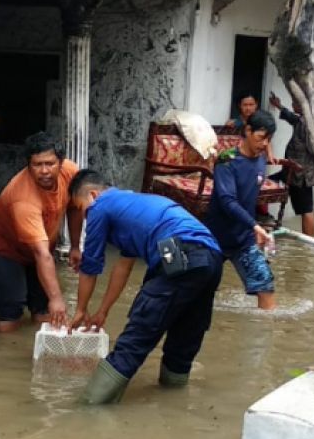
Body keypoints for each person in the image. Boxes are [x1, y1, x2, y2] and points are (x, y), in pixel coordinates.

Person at [68, 170, 223, 404]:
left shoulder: (100, 206)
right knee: (186, 335)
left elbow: (90, 266)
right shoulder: (132, 204)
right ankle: (175, 401)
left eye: (82, 209)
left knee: (137, 335)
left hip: (178, 252)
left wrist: (80, 309)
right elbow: (123, 268)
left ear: (92, 194)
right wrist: (102, 311)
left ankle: (88, 407)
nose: (86, 216)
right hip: (211, 258)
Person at [0, 131, 81, 332]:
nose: (44, 171)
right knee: (11, 310)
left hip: (42, 245)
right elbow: (42, 254)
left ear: (61, 162)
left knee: (44, 310)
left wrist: (75, 246)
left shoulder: (71, 173)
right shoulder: (23, 199)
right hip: (8, 246)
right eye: (37, 165)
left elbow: (74, 207)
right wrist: (57, 298)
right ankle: (4, 354)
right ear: (29, 165)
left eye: (50, 164)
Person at [205, 109, 280, 310]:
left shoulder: (261, 160)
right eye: (261, 137)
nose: (264, 144)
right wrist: (255, 225)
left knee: (265, 286)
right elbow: (228, 201)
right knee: (197, 289)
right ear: (248, 130)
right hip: (214, 238)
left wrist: (256, 229)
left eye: (269, 139)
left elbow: (250, 198)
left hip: (243, 239)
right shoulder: (227, 160)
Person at [269, 93, 314, 237]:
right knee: (266, 182)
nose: (292, 106)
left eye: (294, 103)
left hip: (301, 174)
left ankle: (310, 242)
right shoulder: (301, 120)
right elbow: (292, 118)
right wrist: (279, 105)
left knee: (306, 209)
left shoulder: (308, 125)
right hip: (290, 171)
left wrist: (313, 167)